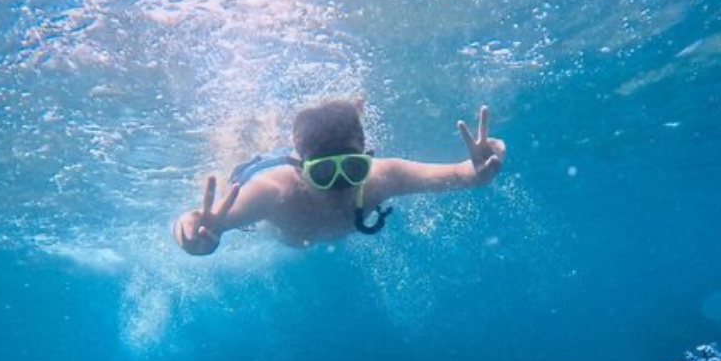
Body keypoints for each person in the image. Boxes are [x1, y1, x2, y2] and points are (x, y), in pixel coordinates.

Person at [173, 100, 506, 255]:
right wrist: (194, 234)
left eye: (353, 169)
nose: (340, 186)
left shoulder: (384, 177)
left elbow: (460, 175)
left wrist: (478, 169)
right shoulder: (272, 191)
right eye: (323, 174)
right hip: (258, 180)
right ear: (300, 171)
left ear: (368, 160)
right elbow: (203, 224)